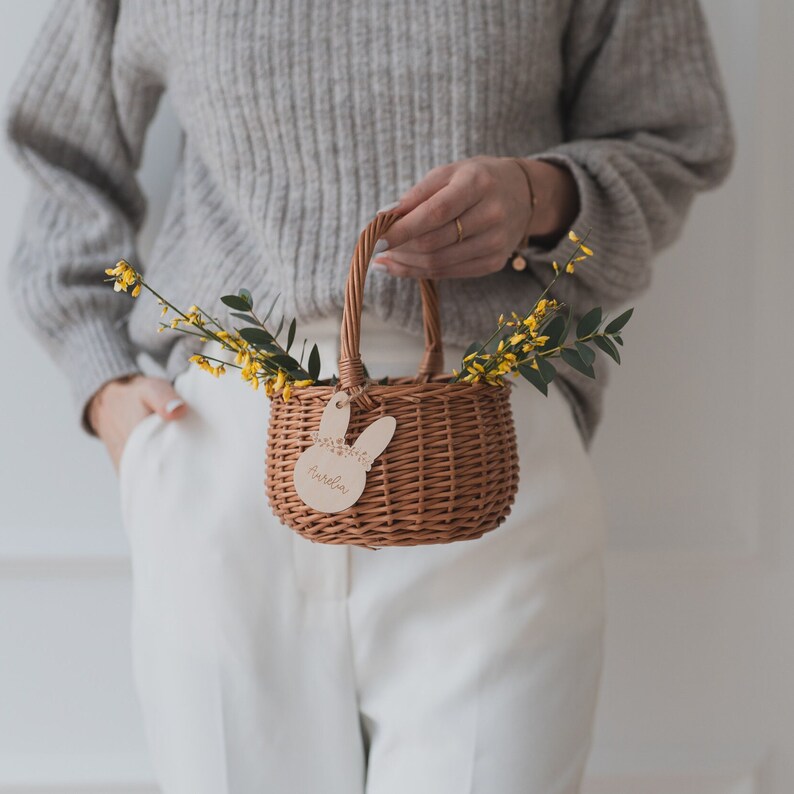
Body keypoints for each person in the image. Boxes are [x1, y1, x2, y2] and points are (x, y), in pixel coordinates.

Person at [4, 1, 734, 792]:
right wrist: (104, 382)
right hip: (227, 463)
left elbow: (673, 138)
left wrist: (539, 196)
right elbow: (58, 150)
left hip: (489, 462)